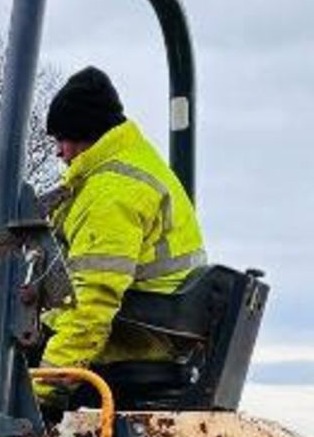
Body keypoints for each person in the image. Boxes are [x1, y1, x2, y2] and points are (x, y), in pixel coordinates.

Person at [32, 66, 206, 408]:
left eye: (61, 140)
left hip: (135, 343)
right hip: (155, 335)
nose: (59, 153)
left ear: (84, 134)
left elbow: (92, 303)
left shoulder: (110, 194)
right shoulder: (132, 166)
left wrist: (43, 390)